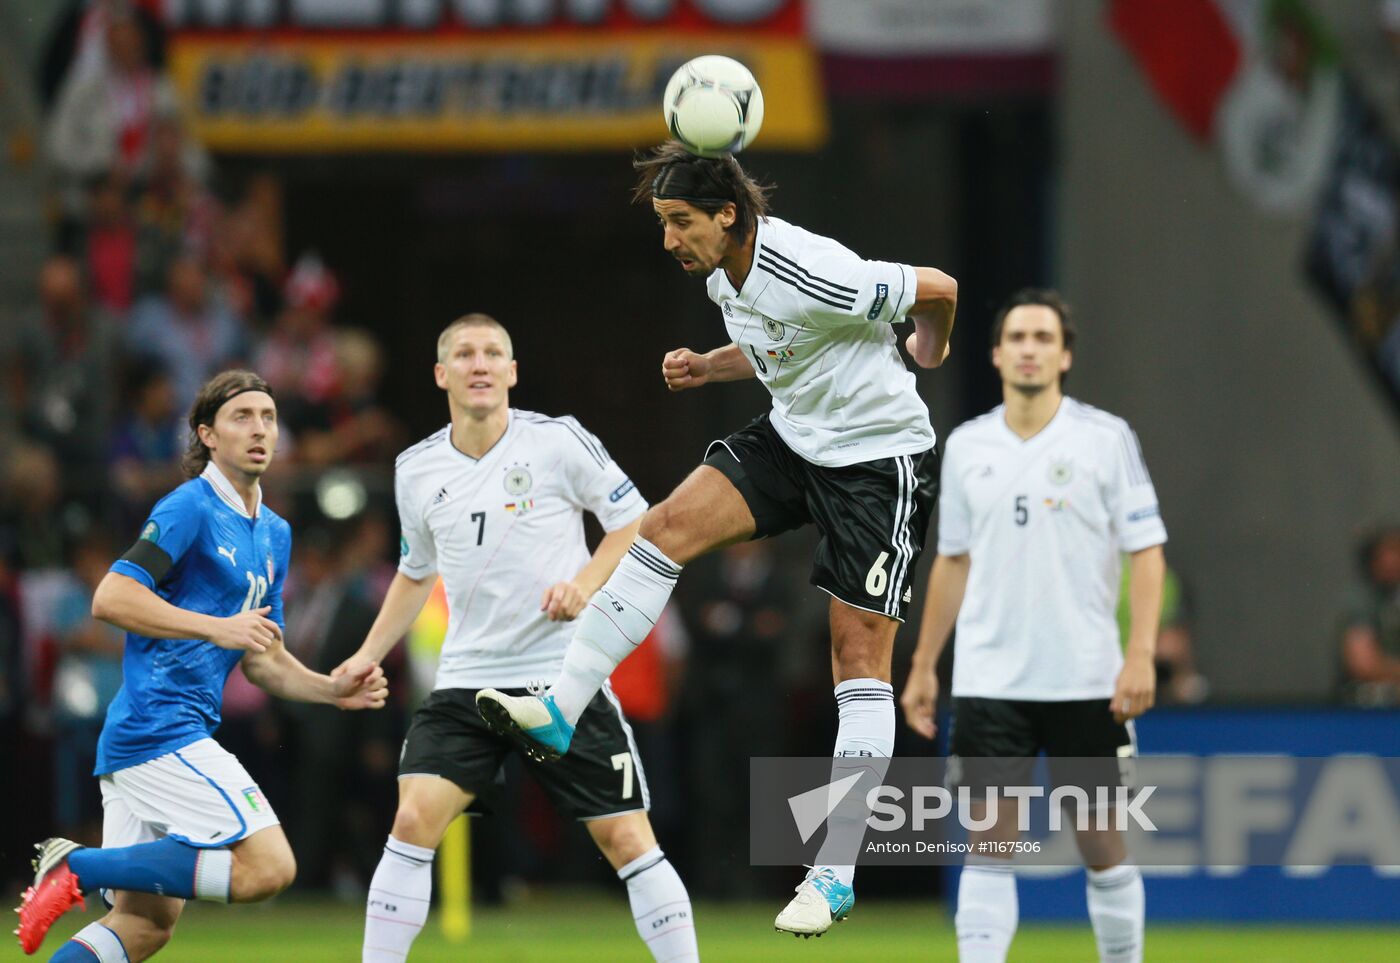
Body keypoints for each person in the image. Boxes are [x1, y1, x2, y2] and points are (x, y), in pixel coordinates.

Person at [476, 142, 958, 937]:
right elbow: (786, 344)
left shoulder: (812, 266)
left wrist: (927, 348)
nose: (668, 239)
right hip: (796, 439)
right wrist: (712, 365)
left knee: (858, 661)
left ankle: (834, 873)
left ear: (727, 215)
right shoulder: (722, 274)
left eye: (679, 222)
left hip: (878, 461)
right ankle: (561, 708)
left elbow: (937, 289)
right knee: (662, 526)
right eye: (665, 222)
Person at [333, 314, 699, 962]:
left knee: (626, 841)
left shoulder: (558, 442)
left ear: (512, 371)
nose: (480, 363)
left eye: (493, 353)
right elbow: (416, 574)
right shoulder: (415, 468)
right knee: (413, 819)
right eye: (465, 354)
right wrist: (365, 653)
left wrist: (585, 584)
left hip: (559, 676)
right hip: (466, 680)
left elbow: (633, 520)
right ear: (442, 374)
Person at [16, 369, 388, 960]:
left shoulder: (275, 533)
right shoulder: (189, 505)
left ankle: (82, 871)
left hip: (148, 739)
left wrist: (329, 688)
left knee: (143, 926)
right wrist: (217, 626)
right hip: (161, 728)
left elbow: (263, 659)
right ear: (207, 435)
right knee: (269, 866)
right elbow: (110, 597)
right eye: (242, 417)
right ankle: (78, 865)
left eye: (268, 416)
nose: (260, 428)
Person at [899, 290, 1166, 963]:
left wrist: (1140, 655)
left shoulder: (1106, 439)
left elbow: (1147, 550)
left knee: (1102, 844)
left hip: (1086, 678)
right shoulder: (966, 445)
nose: (1028, 347)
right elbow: (952, 561)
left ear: (1065, 355)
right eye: (1017, 336)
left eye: (1044, 337)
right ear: (994, 353)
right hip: (992, 679)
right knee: (989, 847)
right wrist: (926, 662)